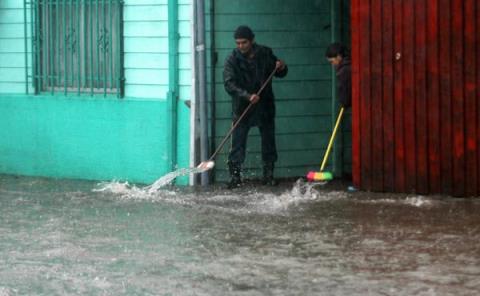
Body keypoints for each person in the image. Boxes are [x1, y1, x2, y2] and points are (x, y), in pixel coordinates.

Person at [223, 25, 288, 189]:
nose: (240, 46)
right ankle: (235, 177)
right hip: (242, 107)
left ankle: (268, 175)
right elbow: (229, 84)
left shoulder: (265, 53)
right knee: (237, 143)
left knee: (268, 142)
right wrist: (247, 95)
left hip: (264, 105)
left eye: (244, 42)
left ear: (251, 40)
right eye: (237, 43)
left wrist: (282, 67)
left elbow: (279, 72)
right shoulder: (232, 59)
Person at [325, 42, 351, 109]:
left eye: (332, 61)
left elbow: (345, 99)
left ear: (339, 56)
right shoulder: (351, 64)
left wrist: (343, 102)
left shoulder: (343, 72)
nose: (332, 64)